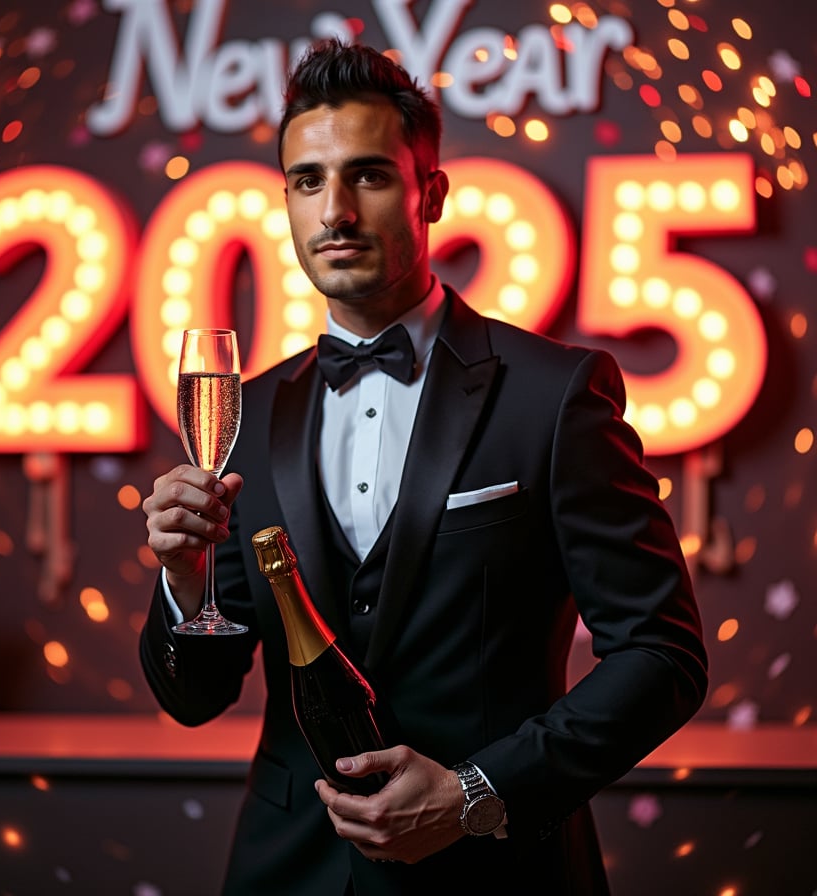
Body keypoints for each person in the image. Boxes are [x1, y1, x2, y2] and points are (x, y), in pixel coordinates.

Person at [140, 37, 708, 896]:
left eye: (367, 175)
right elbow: (194, 699)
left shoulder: (555, 395)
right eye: (307, 181)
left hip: (502, 873)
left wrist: (477, 793)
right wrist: (186, 584)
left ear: (430, 192)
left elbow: (663, 656)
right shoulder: (246, 417)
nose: (334, 211)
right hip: (287, 871)